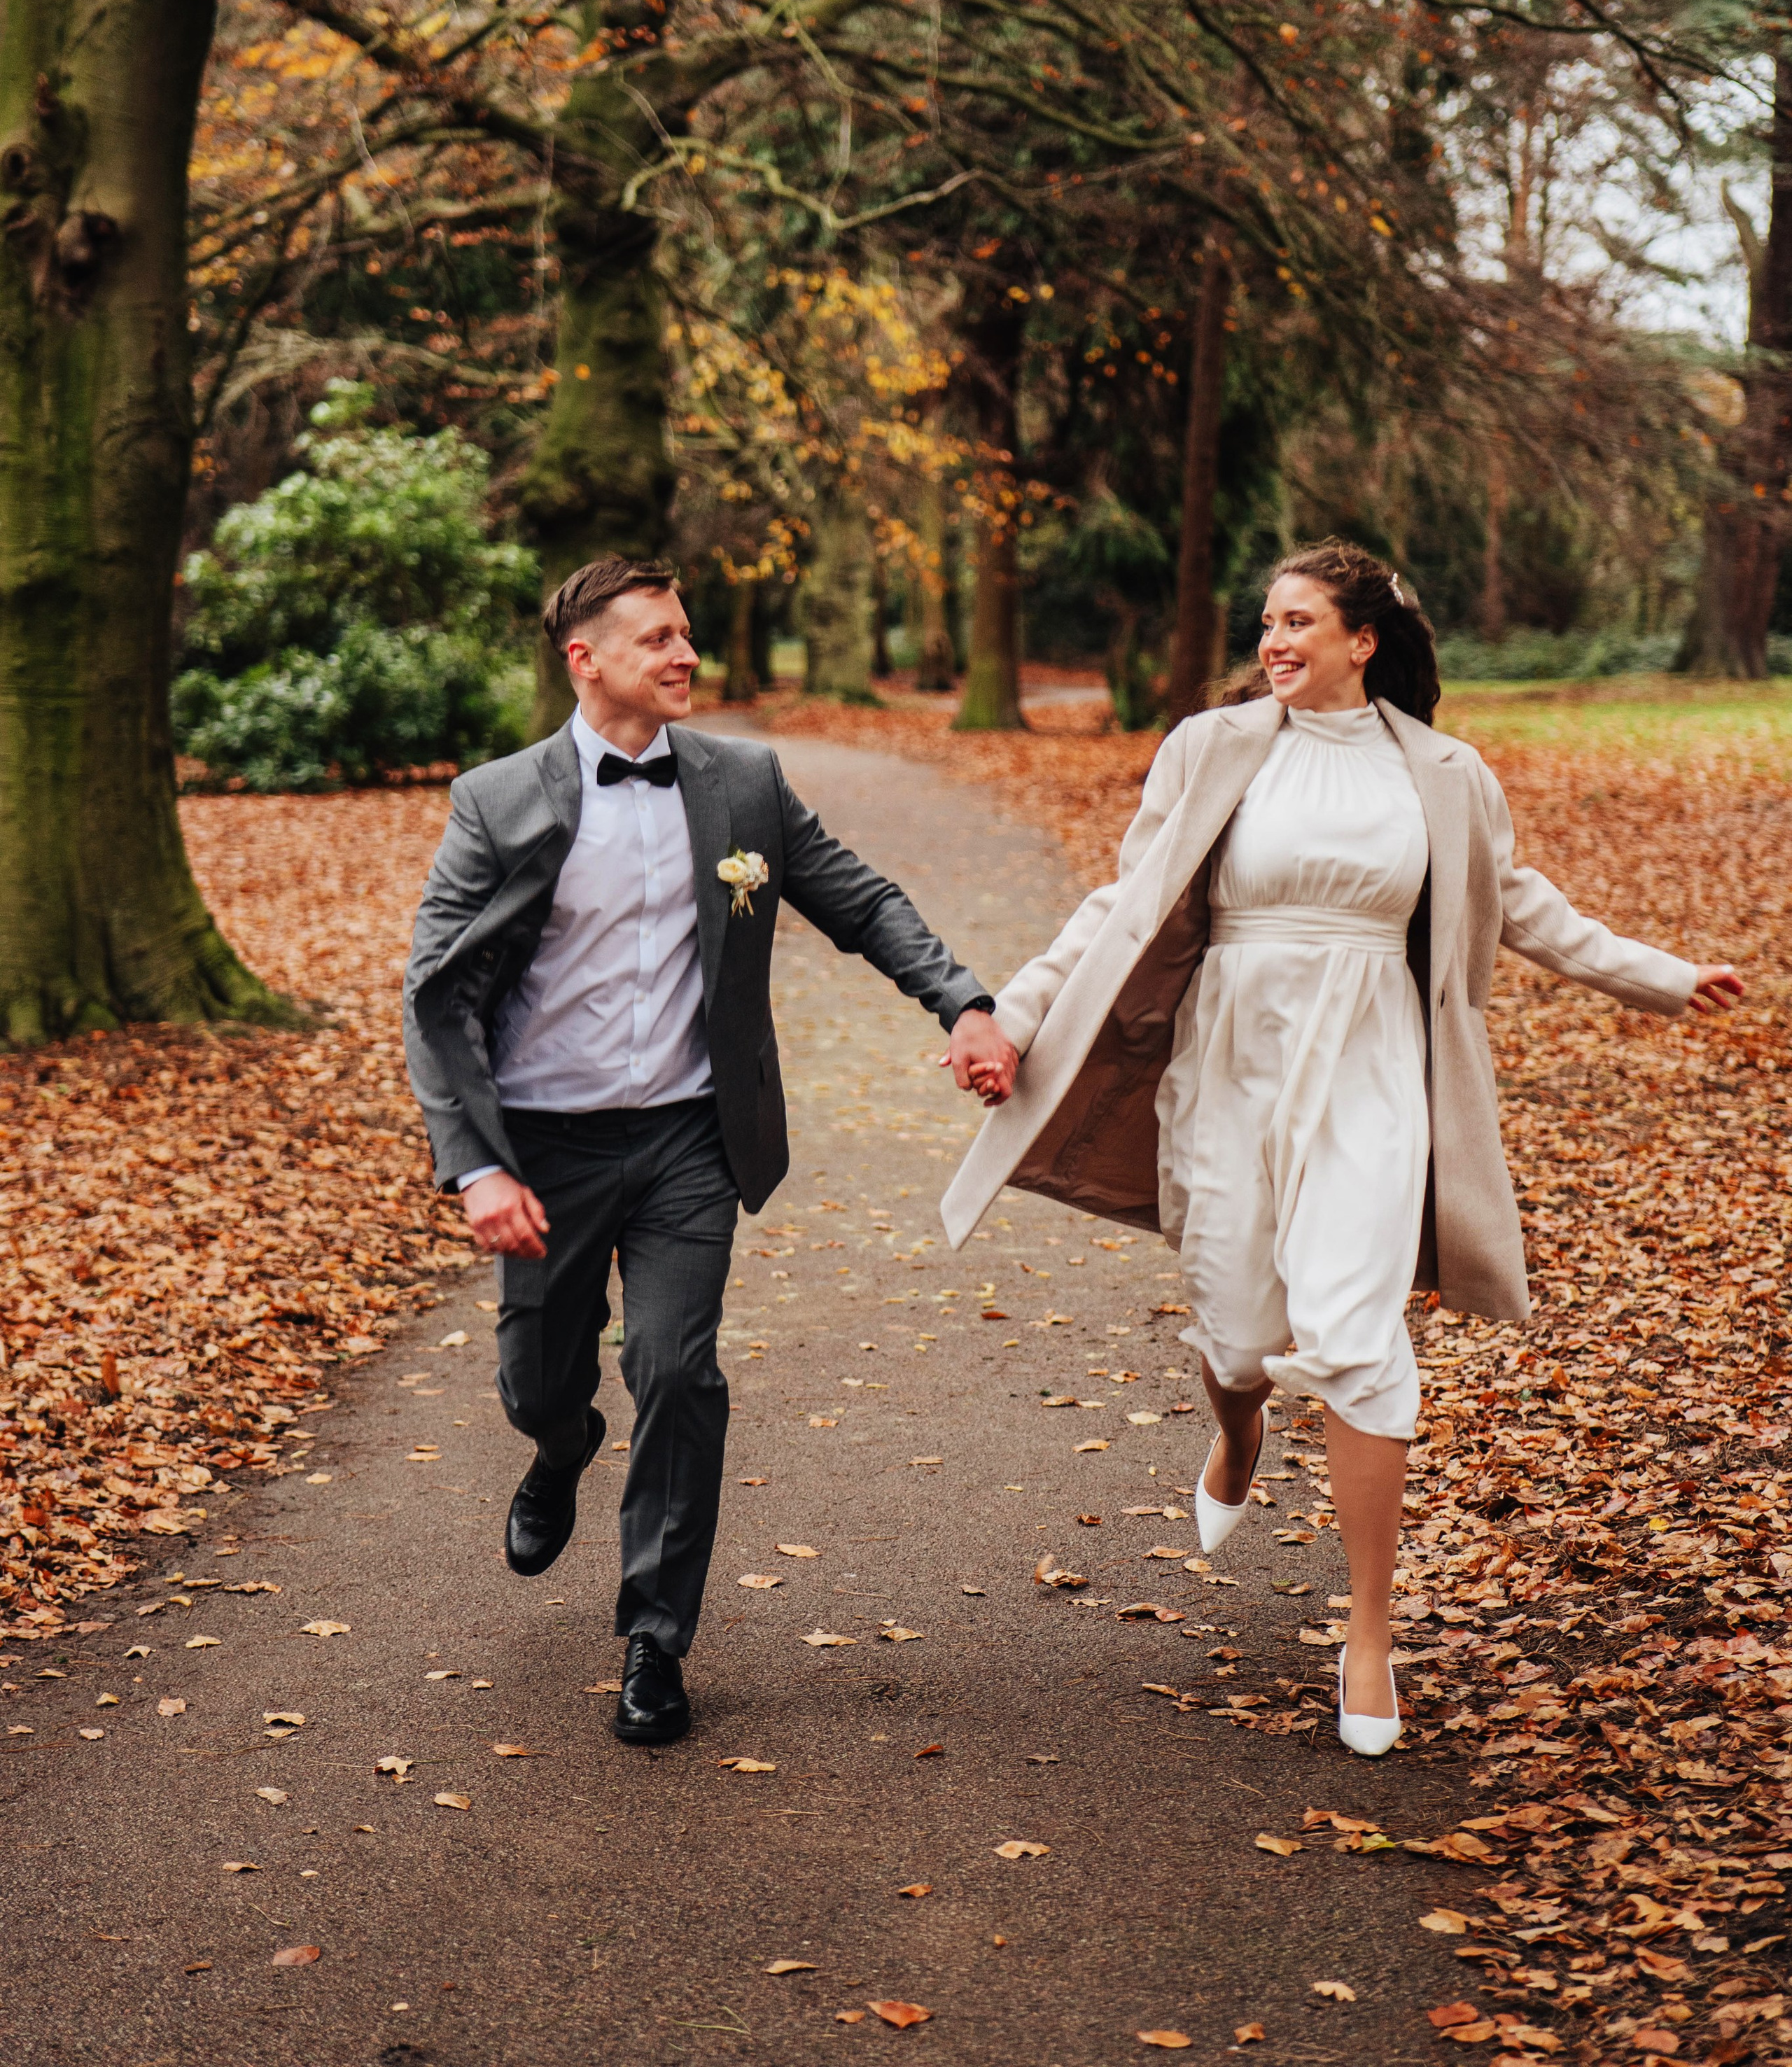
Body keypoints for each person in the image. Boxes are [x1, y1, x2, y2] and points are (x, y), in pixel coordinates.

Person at [939, 538, 1741, 1756]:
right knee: (1237, 1330)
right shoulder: (1212, 749)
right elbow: (1121, 905)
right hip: (1229, 1067)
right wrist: (1014, 1012)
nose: (1274, 642)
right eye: (1267, 621)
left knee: (1359, 1336)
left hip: (1373, 1068)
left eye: (1299, 622)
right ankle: (1240, 1426)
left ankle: (1369, 1635)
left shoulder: (1444, 773)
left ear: (1363, 642)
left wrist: (1664, 978)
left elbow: (1521, 903)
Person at [404, 556, 1017, 1747]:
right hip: (546, 1148)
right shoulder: (498, 800)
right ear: (584, 660)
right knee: (539, 1381)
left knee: (678, 1371)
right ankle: (561, 1446)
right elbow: (437, 995)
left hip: (691, 1135)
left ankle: (657, 1637)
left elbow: (858, 899)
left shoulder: (743, 784)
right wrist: (477, 1165)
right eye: (658, 639)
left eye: (687, 633)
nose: (686, 654)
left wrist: (964, 1003)